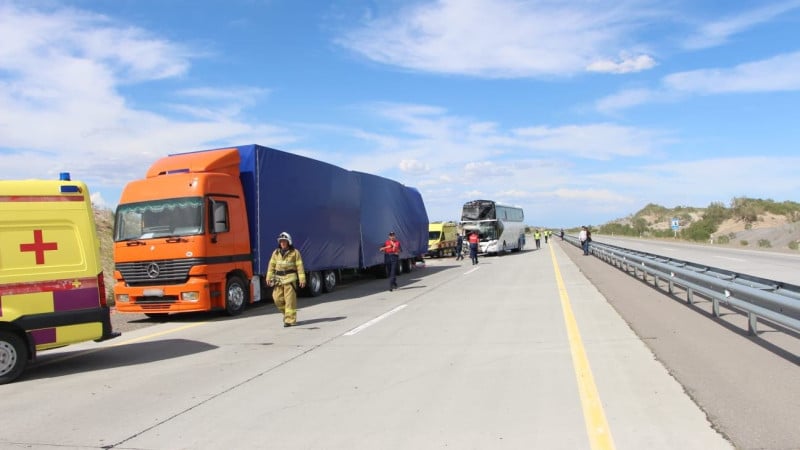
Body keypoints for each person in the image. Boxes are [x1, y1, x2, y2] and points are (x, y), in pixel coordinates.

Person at [266, 232, 306, 327]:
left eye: (284, 241)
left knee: (289, 300)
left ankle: (290, 320)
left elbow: (299, 266)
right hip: (278, 280)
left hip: (290, 280)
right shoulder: (275, 253)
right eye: (281, 241)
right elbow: (271, 266)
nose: (282, 243)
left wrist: (302, 279)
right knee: (277, 299)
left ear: (289, 242)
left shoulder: (295, 253)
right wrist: (268, 277)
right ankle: (287, 315)